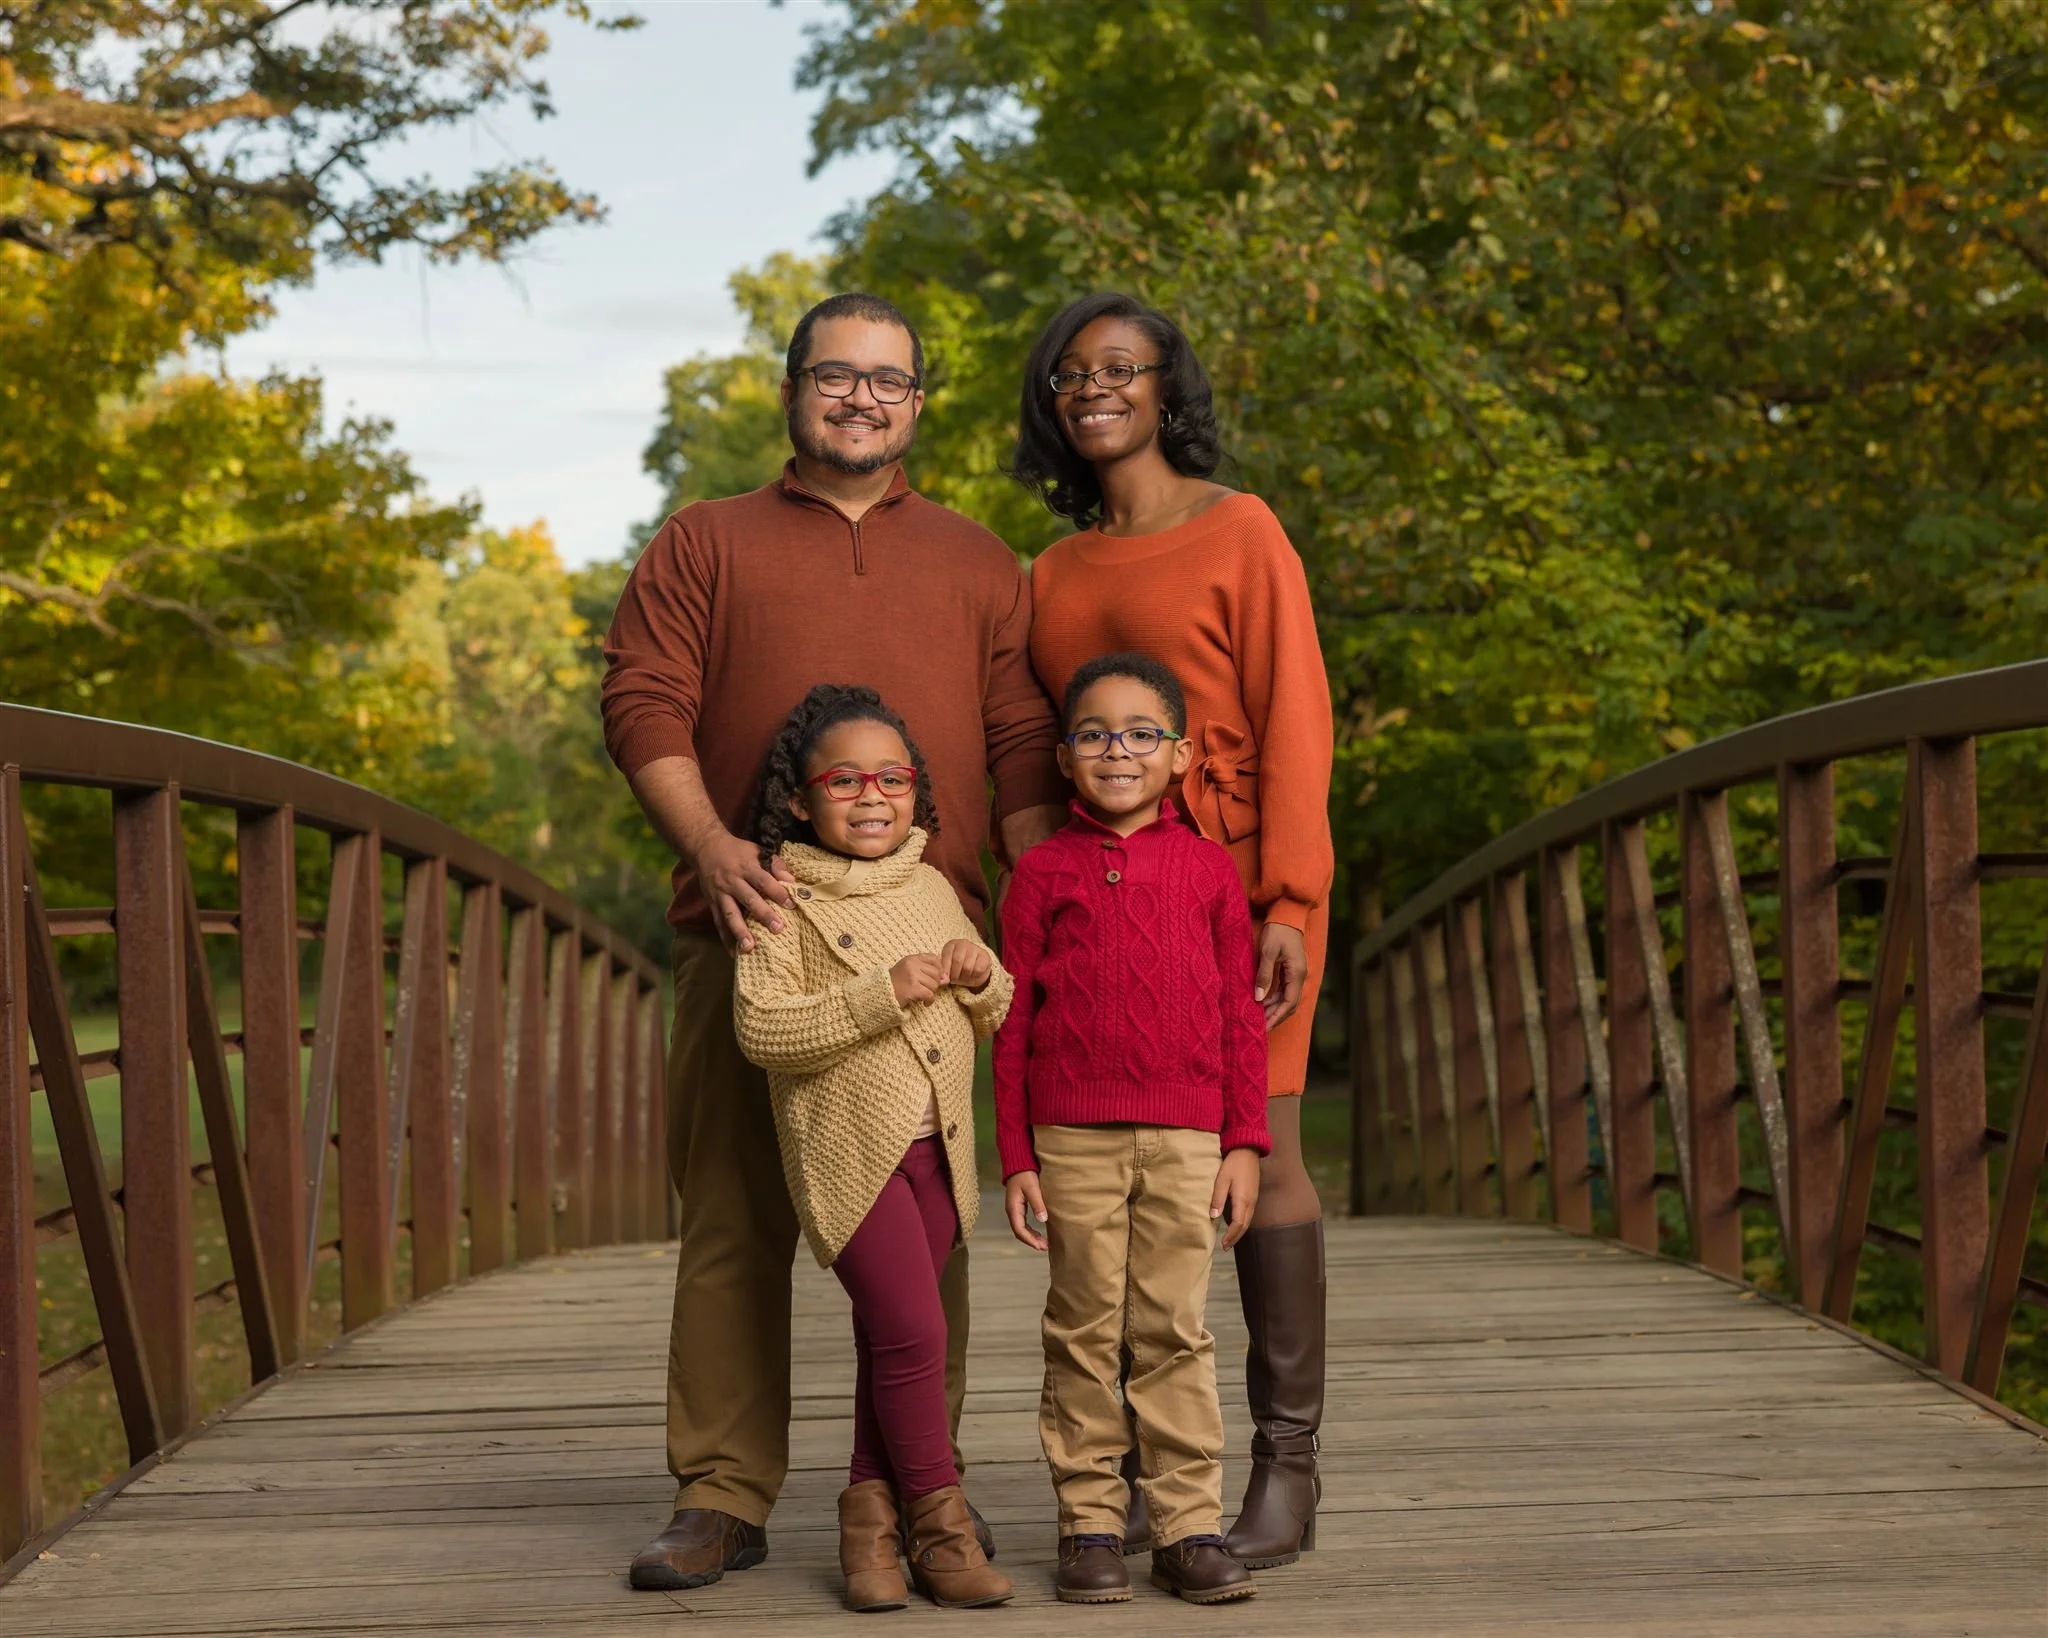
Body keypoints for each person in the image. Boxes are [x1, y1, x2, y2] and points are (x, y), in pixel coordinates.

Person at [601, 292, 1068, 1592]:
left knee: (929, 1231)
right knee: (737, 1217)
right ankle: (723, 1487)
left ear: (919, 401)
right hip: (752, 925)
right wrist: (710, 846)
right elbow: (644, 698)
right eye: (836, 376)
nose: (861, 398)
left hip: (932, 941)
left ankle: (924, 1493)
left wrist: (1037, 899)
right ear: (793, 387)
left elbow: (1022, 742)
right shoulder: (705, 542)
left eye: (888, 380)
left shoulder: (980, 561)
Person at [1013, 292, 1336, 1569]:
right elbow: (1039, 747)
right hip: (1105, 900)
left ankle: (1286, 1469)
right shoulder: (1047, 572)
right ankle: (1148, 1476)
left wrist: (1292, 899)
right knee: (1122, 1180)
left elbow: (1295, 712)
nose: (1090, 388)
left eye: (1117, 369)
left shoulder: (1240, 528)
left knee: (1264, 1152)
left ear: (1163, 387)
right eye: (1066, 375)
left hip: (1239, 886)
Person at [995, 652, 1270, 1607]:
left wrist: (1244, 1142)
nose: (1120, 751)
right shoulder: (1040, 873)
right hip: (1070, 1137)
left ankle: (1189, 1528)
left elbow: (1240, 1011)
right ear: (1067, 758)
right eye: (1096, 735)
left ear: (1180, 754)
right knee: (1081, 1329)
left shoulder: (1207, 872)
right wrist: (1017, 1156)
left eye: (1142, 734)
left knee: (1172, 1330)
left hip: (1190, 1138)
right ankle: (1090, 1525)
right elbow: (1014, 1020)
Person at [733, 684, 1014, 1612]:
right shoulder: (781, 896)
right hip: (852, 1153)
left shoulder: (929, 883)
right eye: (844, 780)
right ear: (800, 799)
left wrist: (979, 976)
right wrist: (880, 992)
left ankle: (869, 1539)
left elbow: (994, 1007)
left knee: (889, 1342)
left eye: (892, 778)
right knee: (914, 1332)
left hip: (939, 1143)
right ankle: (943, 1527)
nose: (871, 797)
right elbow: (763, 1032)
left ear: (915, 792)